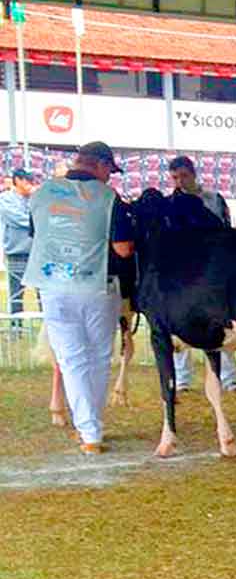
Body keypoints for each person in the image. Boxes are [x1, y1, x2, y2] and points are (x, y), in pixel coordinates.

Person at [24, 142, 134, 454]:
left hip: (52, 286)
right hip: (97, 286)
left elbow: (38, 236)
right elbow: (123, 248)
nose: (109, 178)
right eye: (109, 171)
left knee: (71, 360)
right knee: (98, 356)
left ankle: (90, 431)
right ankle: (90, 429)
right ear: (99, 165)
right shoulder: (110, 198)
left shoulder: (43, 193)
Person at [167, 156, 236, 393]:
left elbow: (226, 230)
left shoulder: (213, 199)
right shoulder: (170, 203)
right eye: (175, 177)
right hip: (181, 272)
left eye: (184, 176)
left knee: (222, 321)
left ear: (194, 174)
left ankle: (229, 378)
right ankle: (182, 379)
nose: (180, 181)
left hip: (212, 269)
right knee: (179, 323)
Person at [0, 168, 38, 319]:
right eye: (27, 180)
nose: (30, 184)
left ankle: (46, 325)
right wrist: (37, 222)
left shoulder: (34, 198)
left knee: (42, 290)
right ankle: (16, 327)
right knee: (16, 293)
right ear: (17, 180)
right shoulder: (5, 199)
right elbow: (18, 219)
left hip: (36, 250)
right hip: (17, 251)